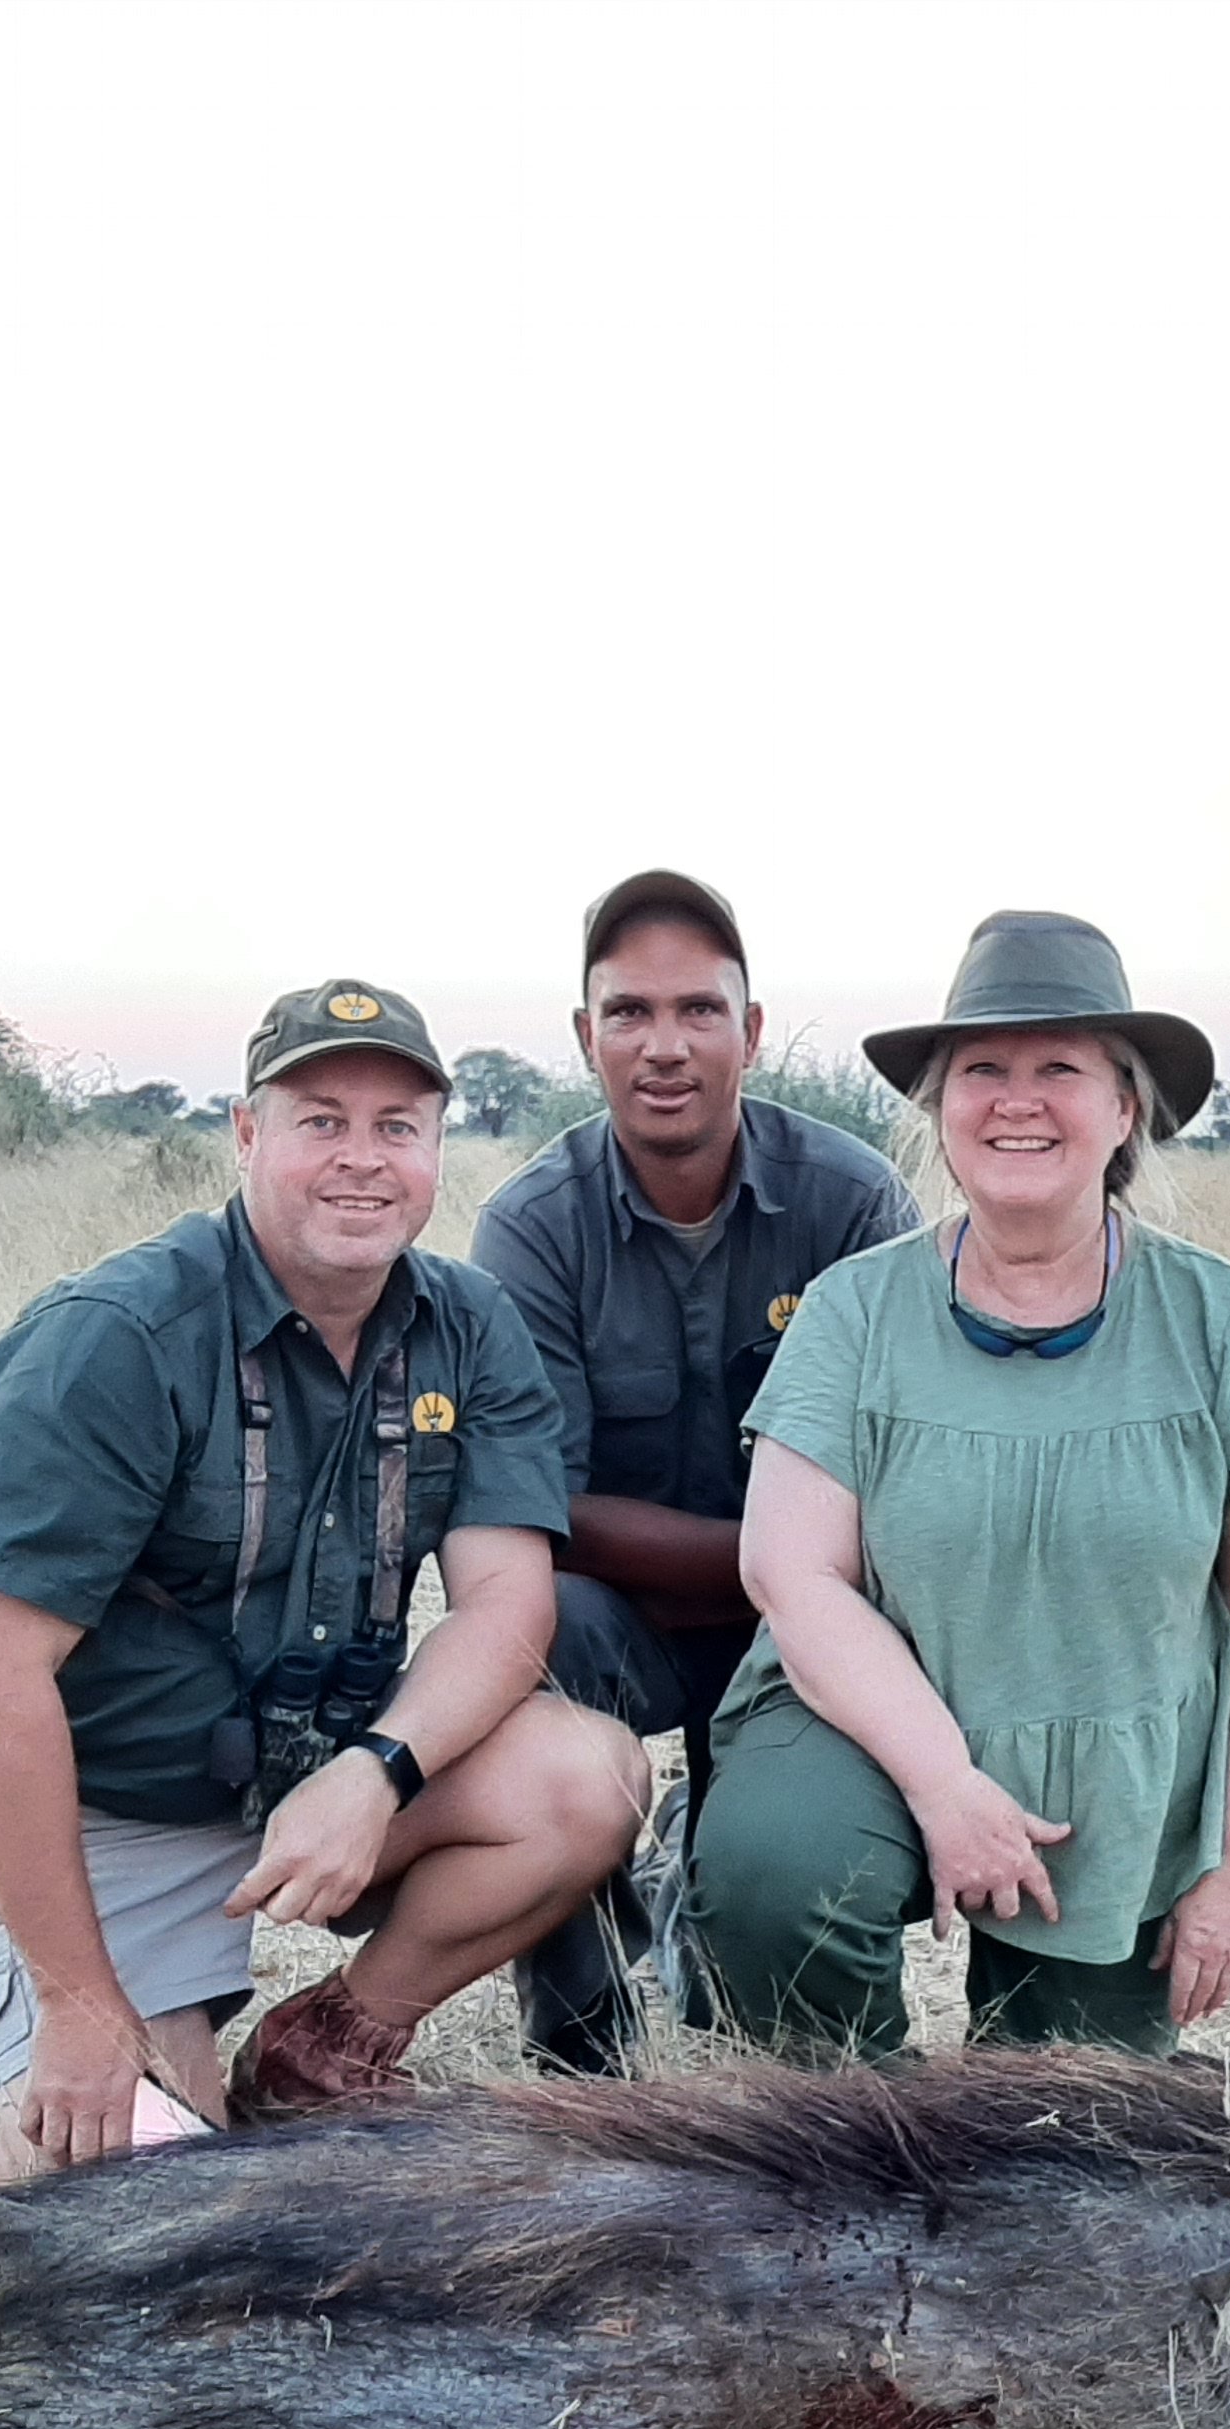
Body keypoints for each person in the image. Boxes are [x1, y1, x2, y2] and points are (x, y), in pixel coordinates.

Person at [0, 980, 649, 2178]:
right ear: (247, 1133)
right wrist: (80, 2003)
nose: (363, 1159)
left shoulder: (470, 1323)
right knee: (123, 2169)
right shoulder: (116, 1335)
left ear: (440, 1144)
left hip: (305, 1773)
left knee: (590, 1773)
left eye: (399, 1126)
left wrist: (377, 1772)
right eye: (321, 1120)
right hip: (102, 1799)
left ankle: (328, 2052)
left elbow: (508, 1606)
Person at [689, 911, 1230, 2059]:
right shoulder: (855, 1308)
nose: (1017, 1099)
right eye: (982, 1069)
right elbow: (789, 1574)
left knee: (1072, 2138)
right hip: (876, 1716)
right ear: (941, 1110)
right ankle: (860, 2145)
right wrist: (946, 1788)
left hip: (1110, 1758)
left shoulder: (1219, 1319)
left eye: (1061, 1070)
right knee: (776, 1883)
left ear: (1125, 1107)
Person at [469, 870, 914, 2069]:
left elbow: (900, 1492)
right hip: (645, 1616)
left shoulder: (856, 1200)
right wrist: (781, 1561)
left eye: (699, 1011)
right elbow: (538, 1507)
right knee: (523, 1627)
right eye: (629, 1013)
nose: (664, 1047)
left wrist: (801, 1580)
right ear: (585, 1038)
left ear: (752, 1032)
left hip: (804, 1630)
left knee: (745, 1965)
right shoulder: (530, 1226)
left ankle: (776, 2011)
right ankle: (580, 2043)